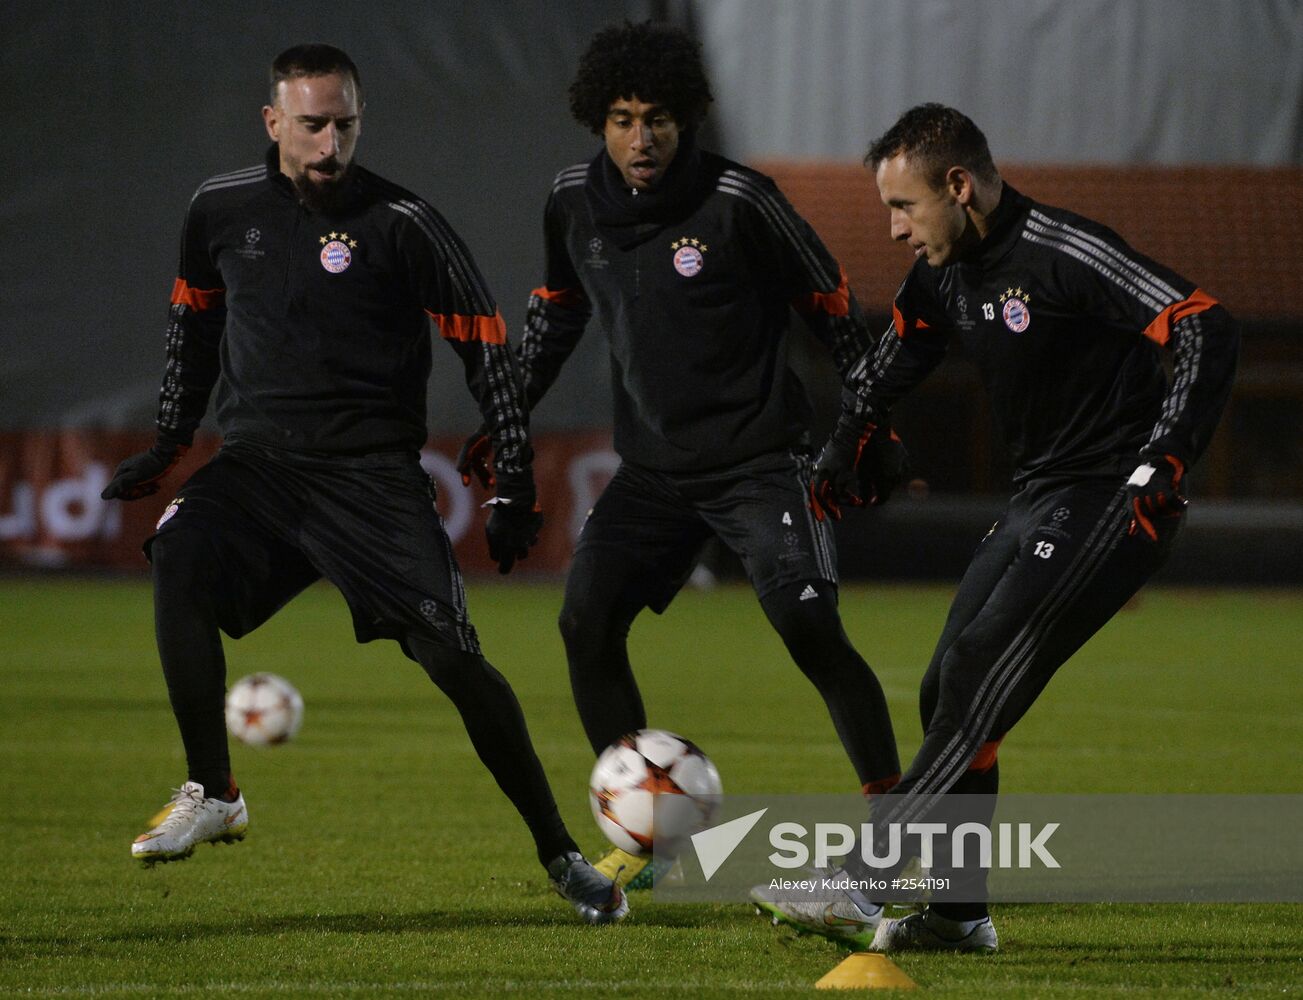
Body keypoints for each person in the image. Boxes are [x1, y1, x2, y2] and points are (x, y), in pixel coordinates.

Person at [100, 43, 626, 925]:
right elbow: (191, 328)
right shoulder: (220, 209)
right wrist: (168, 442)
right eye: (311, 124)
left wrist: (516, 487)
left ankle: (562, 854)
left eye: (345, 123)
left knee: (456, 665)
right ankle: (213, 788)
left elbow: (485, 346)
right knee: (179, 555)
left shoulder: (401, 221)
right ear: (274, 122)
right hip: (260, 466)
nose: (329, 142)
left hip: (371, 482)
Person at [753, 103, 1239, 951]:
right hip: (1037, 499)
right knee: (945, 688)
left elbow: (1202, 322)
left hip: (1109, 500)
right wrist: (840, 453)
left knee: (979, 670)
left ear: (958, 185)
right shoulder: (944, 273)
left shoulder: (1062, 251)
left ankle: (864, 887)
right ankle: (955, 915)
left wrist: (1165, 457)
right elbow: (885, 365)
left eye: (902, 208)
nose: (895, 230)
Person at [456, 21, 904, 889]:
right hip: (654, 474)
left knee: (811, 629)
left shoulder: (743, 200)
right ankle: (647, 839)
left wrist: (870, 425)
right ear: (598, 121)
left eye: (656, 117)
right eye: (622, 118)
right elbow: (554, 319)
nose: (640, 137)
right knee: (584, 624)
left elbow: (835, 310)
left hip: (760, 464)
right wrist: (505, 414)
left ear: (685, 118)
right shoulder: (571, 201)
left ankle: (894, 825)